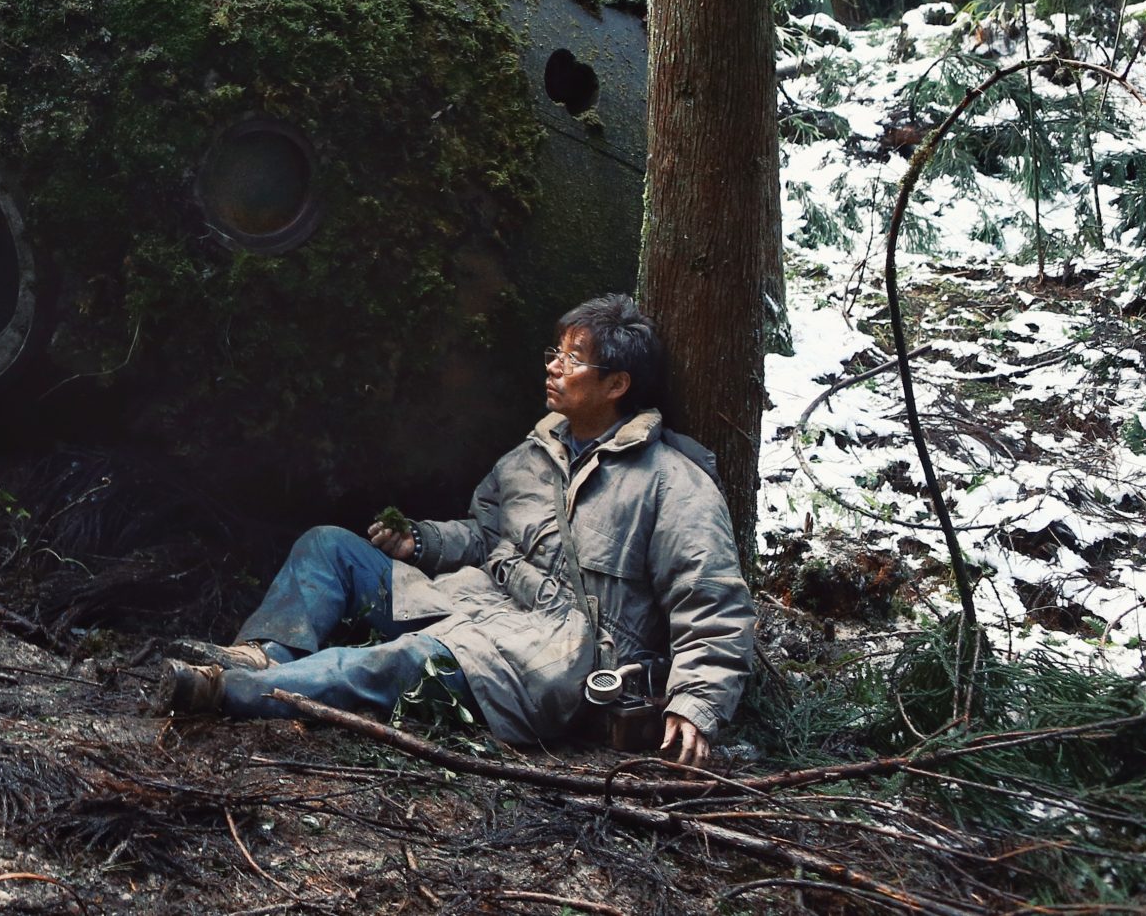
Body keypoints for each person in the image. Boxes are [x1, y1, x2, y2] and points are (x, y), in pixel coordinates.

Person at [156, 294, 755, 767]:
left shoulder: (672, 482)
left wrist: (696, 703)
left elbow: (711, 599)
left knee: (401, 662)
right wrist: (421, 542)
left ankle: (224, 692)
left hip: (555, 654)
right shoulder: (531, 455)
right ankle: (267, 657)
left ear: (617, 384)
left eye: (572, 359)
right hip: (475, 603)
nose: (551, 366)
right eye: (555, 352)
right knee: (329, 547)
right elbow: (483, 533)